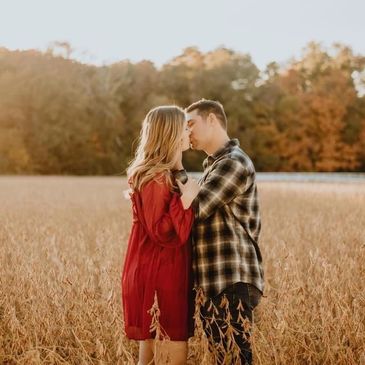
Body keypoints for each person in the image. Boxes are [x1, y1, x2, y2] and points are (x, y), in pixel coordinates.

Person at [174, 99, 265, 365]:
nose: (187, 132)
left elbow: (196, 208)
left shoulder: (233, 163)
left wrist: (175, 165)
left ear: (212, 119)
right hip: (215, 279)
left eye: (191, 124)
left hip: (231, 279)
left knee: (234, 360)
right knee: (223, 359)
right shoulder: (213, 165)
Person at [121, 105, 200, 365]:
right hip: (159, 270)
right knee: (173, 342)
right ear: (172, 133)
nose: (190, 131)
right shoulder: (156, 177)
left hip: (162, 267)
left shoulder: (165, 173)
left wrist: (179, 168)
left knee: (155, 347)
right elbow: (161, 231)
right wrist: (186, 201)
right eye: (185, 126)